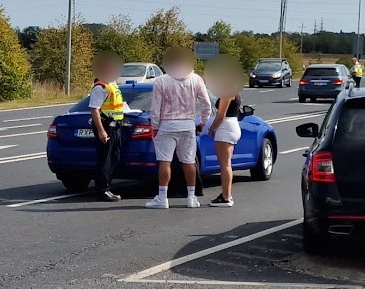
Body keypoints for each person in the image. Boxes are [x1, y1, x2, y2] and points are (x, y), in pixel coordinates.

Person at [144, 47, 211, 209]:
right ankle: (191, 197)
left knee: (165, 161)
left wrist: (154, 126)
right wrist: (202, 122)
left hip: (167, 124)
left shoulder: (161, 81)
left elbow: (156, 107)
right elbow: (206, 104)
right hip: (188, 124)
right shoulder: (196, 79)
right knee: (188, 161)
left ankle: (162, 197)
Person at [86, 52, 133, 202]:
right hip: (107, 127)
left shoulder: (112, 84)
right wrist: (101, 131)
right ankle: (102, 189)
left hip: (116, 126)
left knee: (114, 157)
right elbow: (94, 109)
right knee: (104, 160)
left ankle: (106, 187)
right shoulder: (101, 87)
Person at [205, 75, 245, 207]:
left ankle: (226, 197)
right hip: (232, 125)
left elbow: (221, 115)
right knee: (226, 163)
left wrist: (212, 129)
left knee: (225, 164)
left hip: (226, 127)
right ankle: (226, 195)